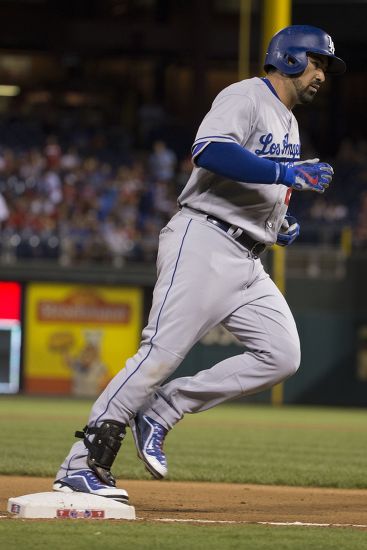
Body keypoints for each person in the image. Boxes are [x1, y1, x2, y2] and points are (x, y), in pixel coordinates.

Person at [53, 25, 345, 503]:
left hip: (247, 257)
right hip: (204, 241)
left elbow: (260, 187)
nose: (322, 75)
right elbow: (209, 151)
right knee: (160, 354)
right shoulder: (246, 95)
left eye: (326, 69)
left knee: (281, 354)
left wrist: (278, 222)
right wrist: (285, 172)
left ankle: (164, 409)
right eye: (317, 63)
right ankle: (80, 466)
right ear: (291, 58)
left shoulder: (289, 123)